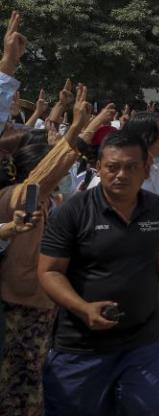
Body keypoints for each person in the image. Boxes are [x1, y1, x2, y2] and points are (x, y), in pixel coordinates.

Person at [38, 130, 159, 416]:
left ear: (146, 169)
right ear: (98, 168)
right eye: (112, 167)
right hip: (81, 347)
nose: (121, 174)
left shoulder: (157, 209)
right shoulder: (72, 212)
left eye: (131, 166)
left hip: (143, 342)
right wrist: (83, 308)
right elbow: (49, 272)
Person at [0, 84, 95, 414]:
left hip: (47, 299)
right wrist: (81, 129)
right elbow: (43, 177)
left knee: (36, 375)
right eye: (55, 157)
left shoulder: (52, 200)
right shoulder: (16, 196)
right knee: (18, 380)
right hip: (21, 304)